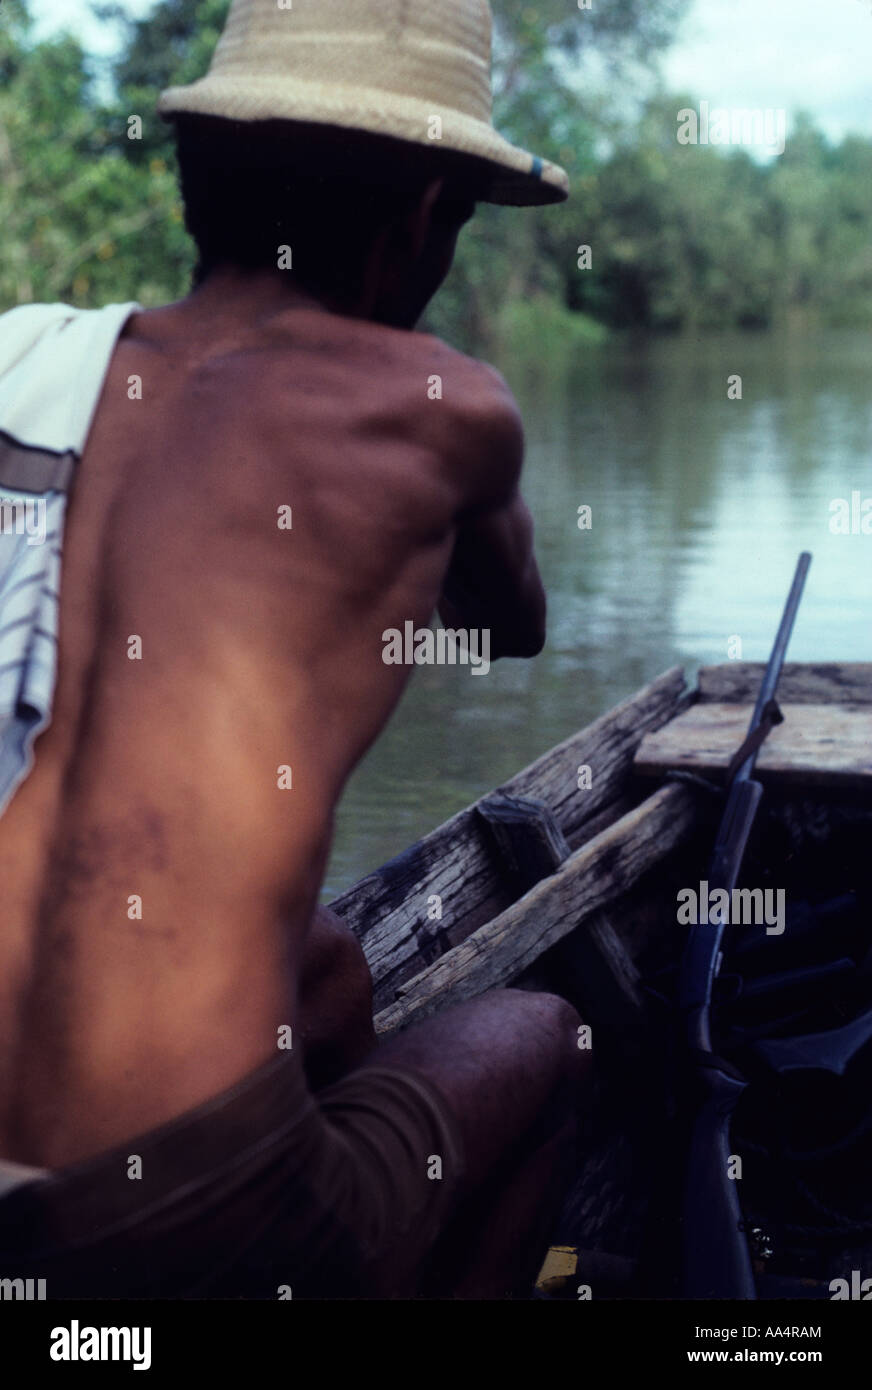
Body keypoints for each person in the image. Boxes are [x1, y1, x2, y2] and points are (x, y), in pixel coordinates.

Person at [0, 0, 589, 1297]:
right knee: (546, 1036)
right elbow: (516, 620)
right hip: (171, 1213)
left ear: (197, 175)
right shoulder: (445, 411)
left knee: (317, 977)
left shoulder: (31, 370)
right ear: (424, 216)